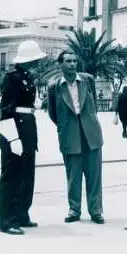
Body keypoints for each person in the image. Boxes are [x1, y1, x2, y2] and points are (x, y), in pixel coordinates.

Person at [47, 50, 104, 224]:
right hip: (69, 134)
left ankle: (96, 211)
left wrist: (89, 120)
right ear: (61, 64)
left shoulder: (87, 80)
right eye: (68, 61)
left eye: (74, 61)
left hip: (91, 133)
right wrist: (65, 127)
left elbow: (93, 103)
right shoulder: (54, 86)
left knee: (94, 175)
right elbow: (53, 113)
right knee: (73, 175)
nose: (72, 64)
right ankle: (74, 209)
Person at [0, 40, 46, 235]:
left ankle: (21, 213)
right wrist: (12, 138)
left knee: (27, 174)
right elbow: (6, 109)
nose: (37, 62)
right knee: (11, 176)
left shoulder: (27, 77)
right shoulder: (12, 78)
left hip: (27, 129)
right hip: (15, 129)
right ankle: (7, 221)